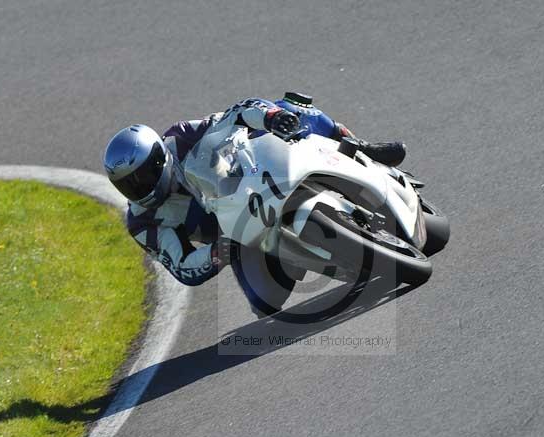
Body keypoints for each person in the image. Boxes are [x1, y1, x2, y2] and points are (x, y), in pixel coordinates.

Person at [102, 93, 406, 316]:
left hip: (255, 177)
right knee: (264, 302)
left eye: (142, 177)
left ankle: (359, 147)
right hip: (238, 237)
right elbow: (182, 266)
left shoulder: (182, 137)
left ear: (159, 158)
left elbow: (239, 111)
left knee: (291, 107)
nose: (138, 189)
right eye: (128, 185)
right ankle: (302, 256)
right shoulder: (143, 223)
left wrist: (271, 117)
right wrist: (216, 254)